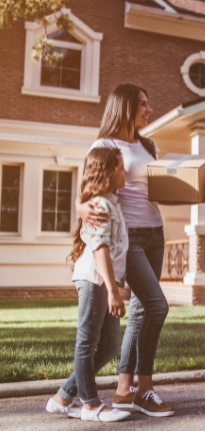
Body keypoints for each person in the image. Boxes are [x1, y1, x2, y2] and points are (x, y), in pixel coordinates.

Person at [76, 83, 205, 418]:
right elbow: (87, 190)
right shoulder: (104, 145)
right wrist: (81, 211)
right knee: (157, 306)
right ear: (125, 106)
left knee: (140, 310)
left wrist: (197, 194)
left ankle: (125, 389)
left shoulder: (148, 144)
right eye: (143, 104)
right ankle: (145, 388)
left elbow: (155, 192)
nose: (149, 110)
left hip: (155, 232)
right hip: (130, 238)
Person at [46, 147, 131, 422]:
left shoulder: (111, 201)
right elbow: (100, 249)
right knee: (87, 342)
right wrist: (113, 290)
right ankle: (90, 405)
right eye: (121, 167)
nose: (125, 171)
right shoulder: (100, 205)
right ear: (108, 172)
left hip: (103, 280)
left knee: (108, 346)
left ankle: (62, 398)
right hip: (94, 279)